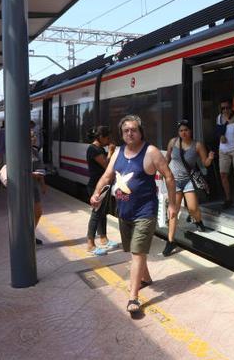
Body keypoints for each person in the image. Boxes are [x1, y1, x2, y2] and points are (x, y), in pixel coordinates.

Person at [90, 115, 176, 317]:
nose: (130, 133)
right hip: (124, 212)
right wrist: (96, 193)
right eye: (126, 130)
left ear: (141, 131)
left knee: (137, 253)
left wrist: (172, 204)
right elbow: (107, 176)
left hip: (145, 212)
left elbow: (169, 177)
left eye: (134, 129)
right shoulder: (118, 152)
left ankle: (133, 296)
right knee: (134, 250)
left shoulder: (151, 152)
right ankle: (145, 279)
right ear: (122, 133)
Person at [163, 120, 215, 256]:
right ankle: (170, 241)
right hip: (174, 182)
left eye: (186, 130)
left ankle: (198, 221)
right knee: (173, 211)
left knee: (193, 208)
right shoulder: (173, 142)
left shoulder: (197, 145)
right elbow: (167, 158)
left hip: (188, 180)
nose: (183, 133)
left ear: (191, 131)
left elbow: (205, 163)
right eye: (181, 131)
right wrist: (162, 172)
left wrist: (209, 158)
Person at [85, 126, 116, 255]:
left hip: (103, 185)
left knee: (102, 212)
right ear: (100, 137)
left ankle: (103, 238)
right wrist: (111, 152)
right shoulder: (93, 149)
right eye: (107, 137)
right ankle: (90, 245)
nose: (109, 140)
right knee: (96, 214)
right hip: (96, 186)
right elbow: (107, 165)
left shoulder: (99, 148)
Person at [216, 98, 234, 209]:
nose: (225, 110)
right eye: (223, 108)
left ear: (231, 108)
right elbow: (218, 132)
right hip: (223, 150)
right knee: (223, 174)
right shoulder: (219, 118)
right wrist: (221, 136)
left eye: (227, 108)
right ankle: (228, 198)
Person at [29, 120, 46, 195]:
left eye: (35, 135)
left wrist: (43, 185)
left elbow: (40, 170)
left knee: (38, 206)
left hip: (33, 186)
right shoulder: (20, 153)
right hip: (24, 187)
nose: (35, 138)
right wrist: (33, 174)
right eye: (32, 136)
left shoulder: (35, 152)